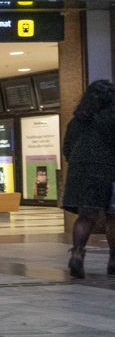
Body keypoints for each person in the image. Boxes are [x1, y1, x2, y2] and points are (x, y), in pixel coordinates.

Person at [63, 80, 115, 279]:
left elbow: (67, 148)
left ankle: (77, 253)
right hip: (108, 171)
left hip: (80, 172)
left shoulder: (77, 121)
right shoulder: (111, 120)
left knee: (85, 216)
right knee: (113, 216)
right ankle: (113, 260)